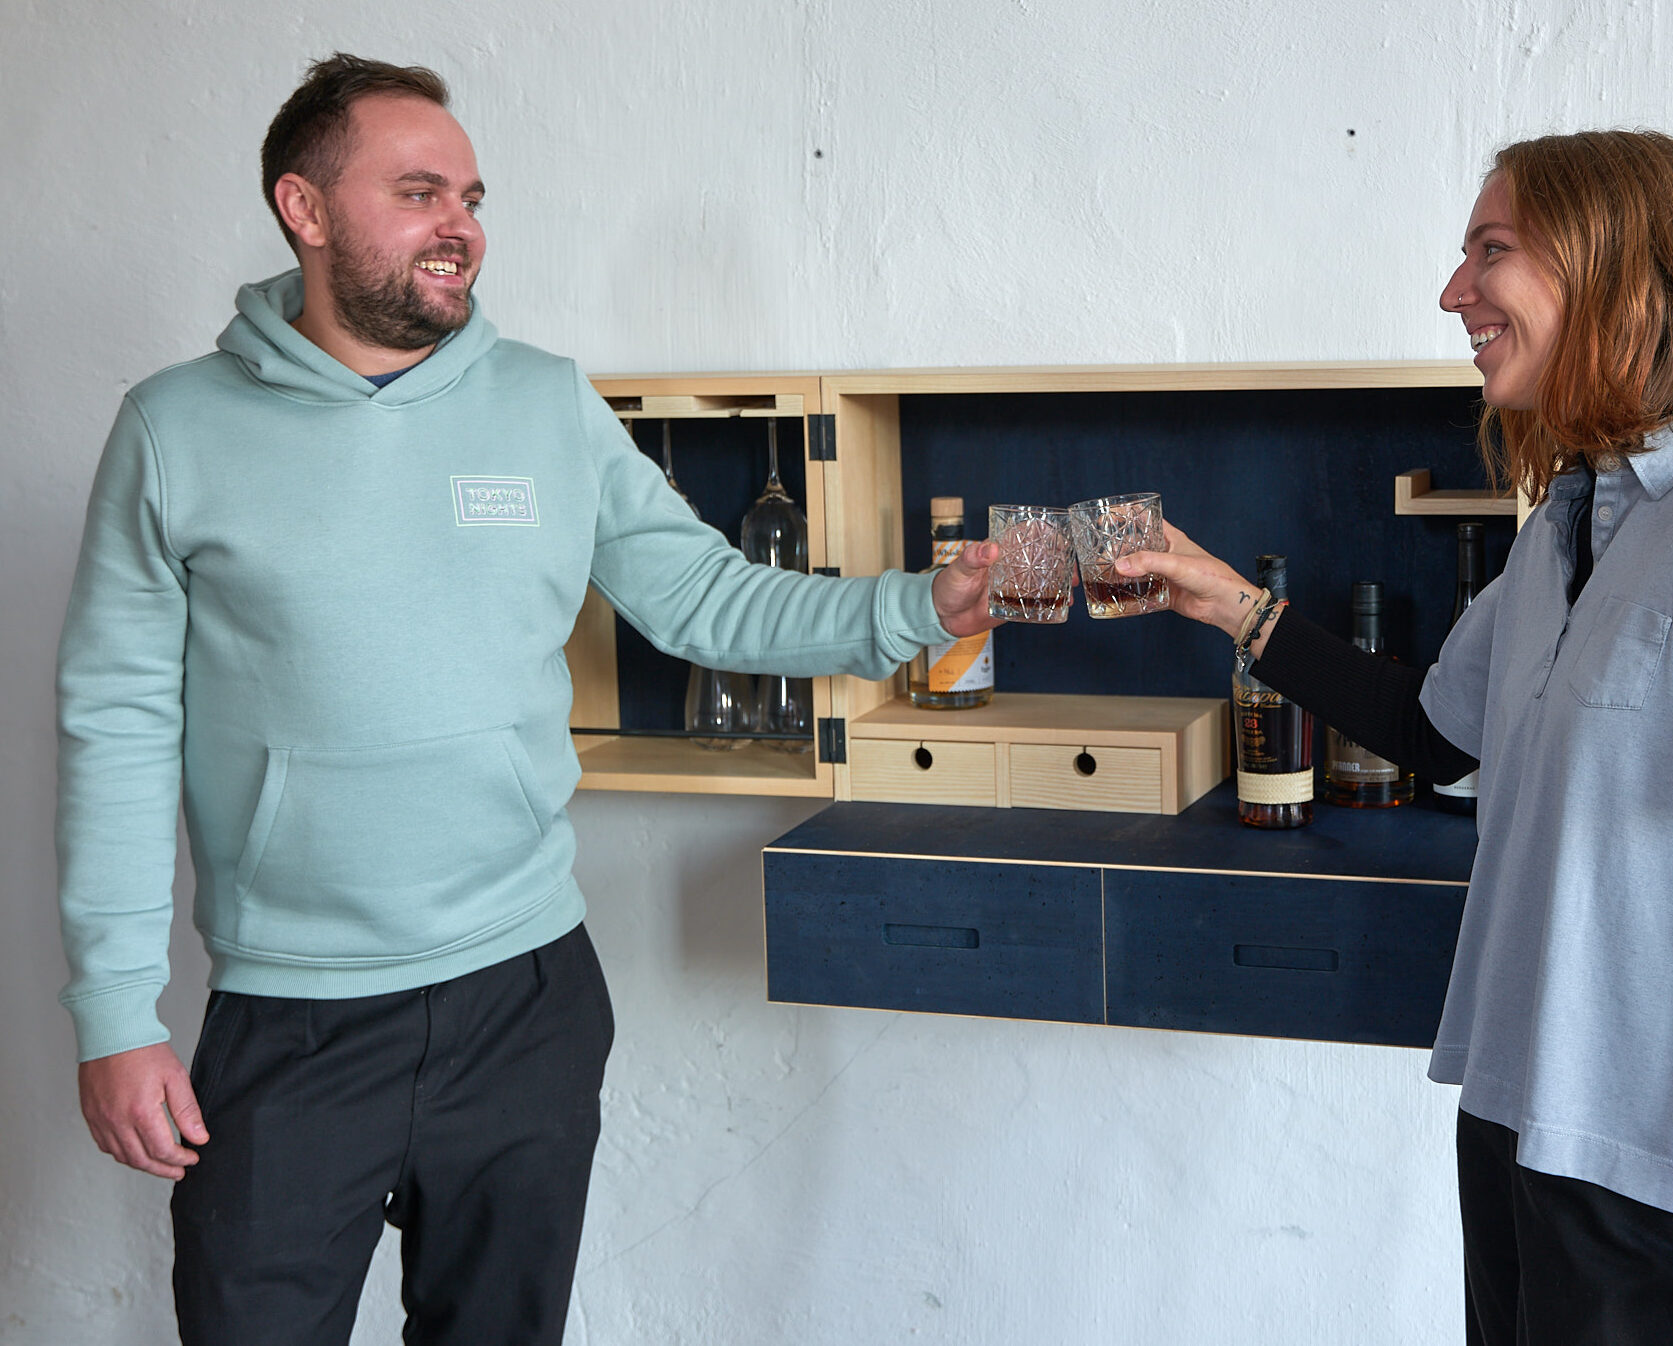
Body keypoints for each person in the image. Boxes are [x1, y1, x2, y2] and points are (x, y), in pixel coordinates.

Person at [55, 53, 996, 1344]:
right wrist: (114, 1015)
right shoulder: (174, 429)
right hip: (291, 1015)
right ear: (304, 208)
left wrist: (921, 606)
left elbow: (706, 599)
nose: (461, 226)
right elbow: (113, 728)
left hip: (524, 997)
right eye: (418, 191)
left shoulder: (547, 402)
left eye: (472, 196)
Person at [1119, 129, 1673, 1346]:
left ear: (1609, 267)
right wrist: (1228, 603)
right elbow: (1428, 728)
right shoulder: (1565, 526)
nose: (1452, 292)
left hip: (1657, 1167)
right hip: (1518, 1114)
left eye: (1490, 251)